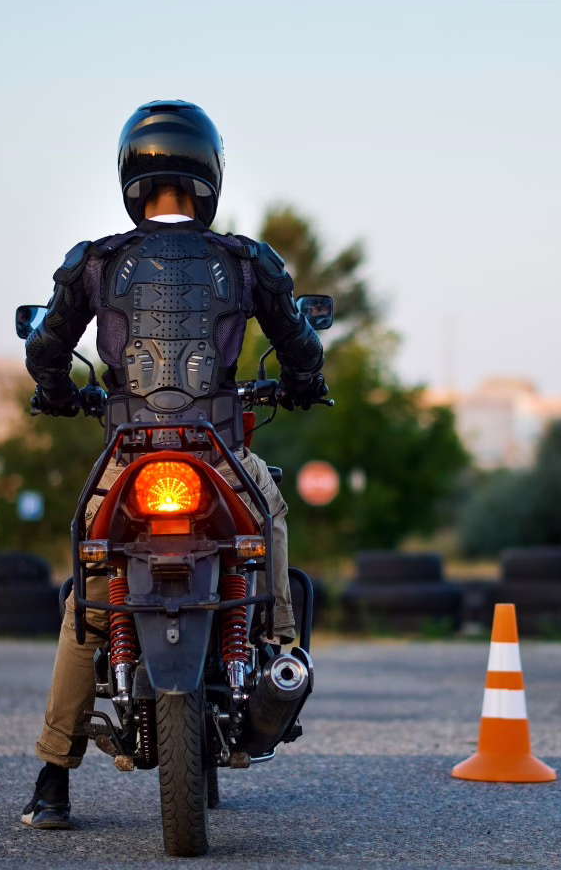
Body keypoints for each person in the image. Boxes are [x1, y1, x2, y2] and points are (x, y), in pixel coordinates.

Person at [19, 101, 330, 829]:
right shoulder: (245, 261)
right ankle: (281, 650)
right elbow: (302, 348)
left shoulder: (96, 262)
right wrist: (301, 385)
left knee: (90, 591)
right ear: (210, 172)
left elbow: (45, 349)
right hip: (219, 452)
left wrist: (59, 394)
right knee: (267, 519)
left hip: (128, 457)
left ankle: (53, 778)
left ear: (131, 172)